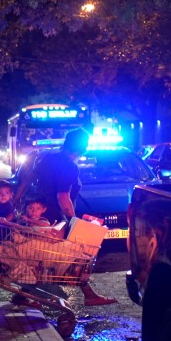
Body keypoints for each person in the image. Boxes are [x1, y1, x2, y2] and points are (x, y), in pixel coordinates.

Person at [27, 128, 117, 306]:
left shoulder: (48, 158)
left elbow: (28, 178)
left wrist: (17, 201)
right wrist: (74, 221)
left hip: (40, 213)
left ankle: (24, 294)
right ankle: (89, 295)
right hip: (56, 217)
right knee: (74, 255)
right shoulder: (69, 166)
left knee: (44, 255)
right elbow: (63, 197)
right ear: (82, 146)